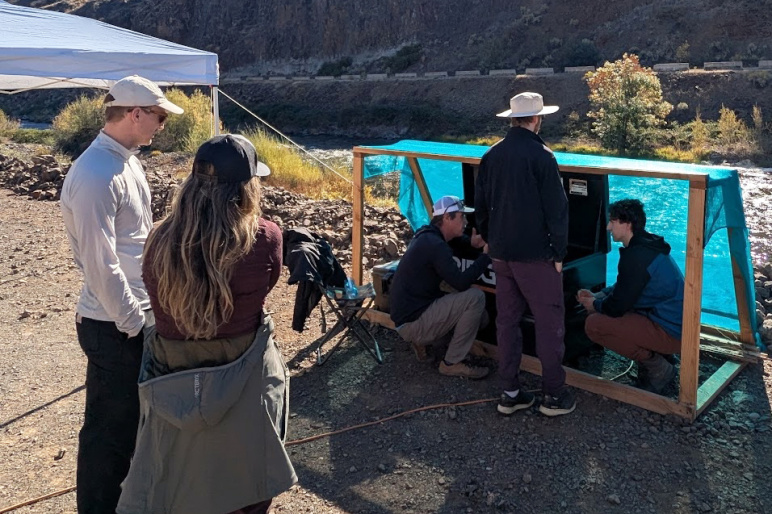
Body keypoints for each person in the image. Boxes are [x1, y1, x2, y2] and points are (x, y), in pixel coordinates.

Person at [117, 134, 297, 514]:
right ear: (247, 188)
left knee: (180, 490)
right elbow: (268, 283)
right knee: (248, 492)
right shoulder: (265, 238)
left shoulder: (158, 240)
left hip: (174, 382)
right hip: (243, 381)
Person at [60, 75, 183, 513]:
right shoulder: (96, 173)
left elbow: (134, 242)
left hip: (128, 318)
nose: (162, 124)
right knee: (108, 436)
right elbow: (101, 263)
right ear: (135, 113)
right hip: (113, 324)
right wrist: (134, 323)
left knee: (129, 428)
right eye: (159, 115)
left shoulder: (125, 161)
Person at [475, 91, 576, 417]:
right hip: (536, 258)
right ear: (537, 119)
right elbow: (558, 212)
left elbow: (481, 206)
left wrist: (490, 239)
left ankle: (510, 392)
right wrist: (558, 253)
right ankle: (554, 395)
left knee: (507, 322)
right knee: (549, 324)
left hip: (501, 255)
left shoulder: (491, 155)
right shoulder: (543, 156)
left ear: (513, 119)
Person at [577, 199, 684, 394]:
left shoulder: (636, 257)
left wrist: (595, 304)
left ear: (627, 224)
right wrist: (601, 295)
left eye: (613, 221)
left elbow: (617, 307)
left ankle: (659, 367)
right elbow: (627, 285)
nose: (609, 227)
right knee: (603, 313)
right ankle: (661, 355)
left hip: (672, 334)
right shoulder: (645, 247)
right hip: (675, 326)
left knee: (594, 325)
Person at [389, 195, 492, 379]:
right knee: (475, 298)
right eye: (462, 217)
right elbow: (461, 283)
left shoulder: (426, 235)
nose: (466, 222)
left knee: (481, 317)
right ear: (447, 218)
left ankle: (426, 342)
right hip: (413, 322)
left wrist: (471, 242)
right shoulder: (436, 245)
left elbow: (452, 241)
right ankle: (451, 363)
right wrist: (485, 257)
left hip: (406, 317)